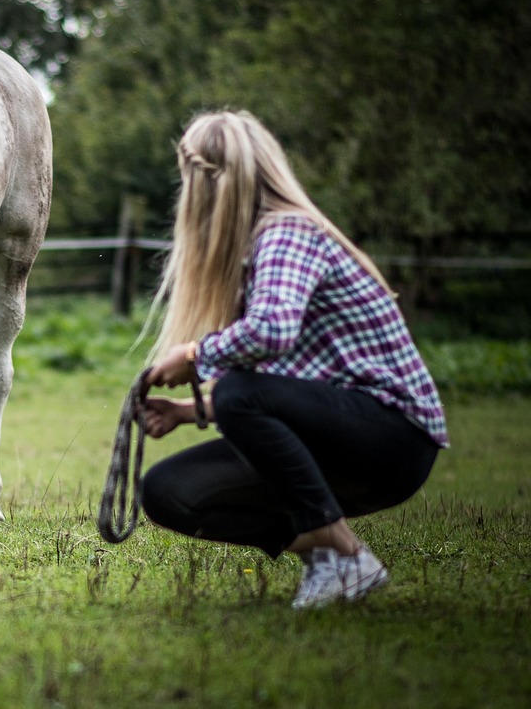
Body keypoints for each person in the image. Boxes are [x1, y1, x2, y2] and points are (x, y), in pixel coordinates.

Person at [139, 110, 448, 609]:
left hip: (395, 440)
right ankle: (328, 557)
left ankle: (346, 553)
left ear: (200, 182)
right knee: (167, 490)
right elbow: (284, 389)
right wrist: (187, 413)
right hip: (335, 437)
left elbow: (272, 333)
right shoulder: (251, 255)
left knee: (239, 392)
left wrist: (195, 355)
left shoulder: (287, 233)